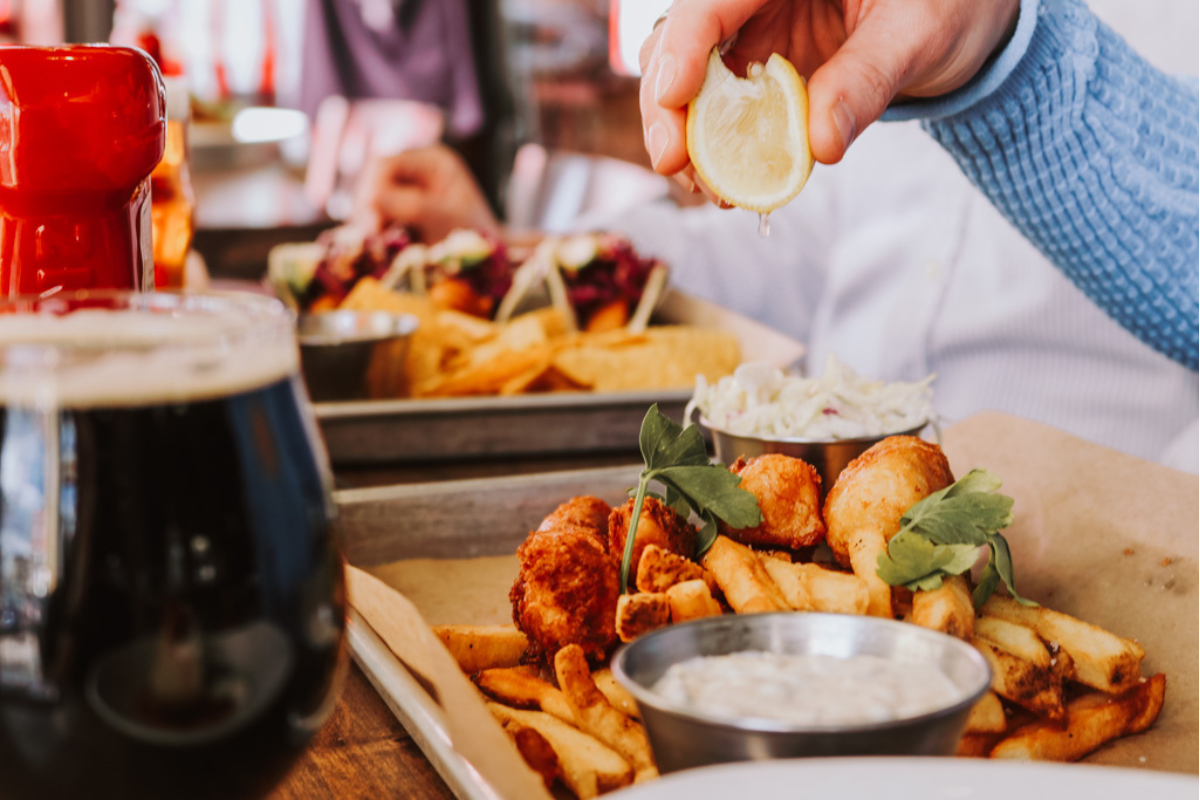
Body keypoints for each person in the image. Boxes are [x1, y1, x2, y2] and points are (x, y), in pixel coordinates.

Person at [639, 0, 1199, 372]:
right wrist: (605, 254)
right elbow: (797, 253)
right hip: (835, 474)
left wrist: (1010, 64)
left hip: (1102, 518)